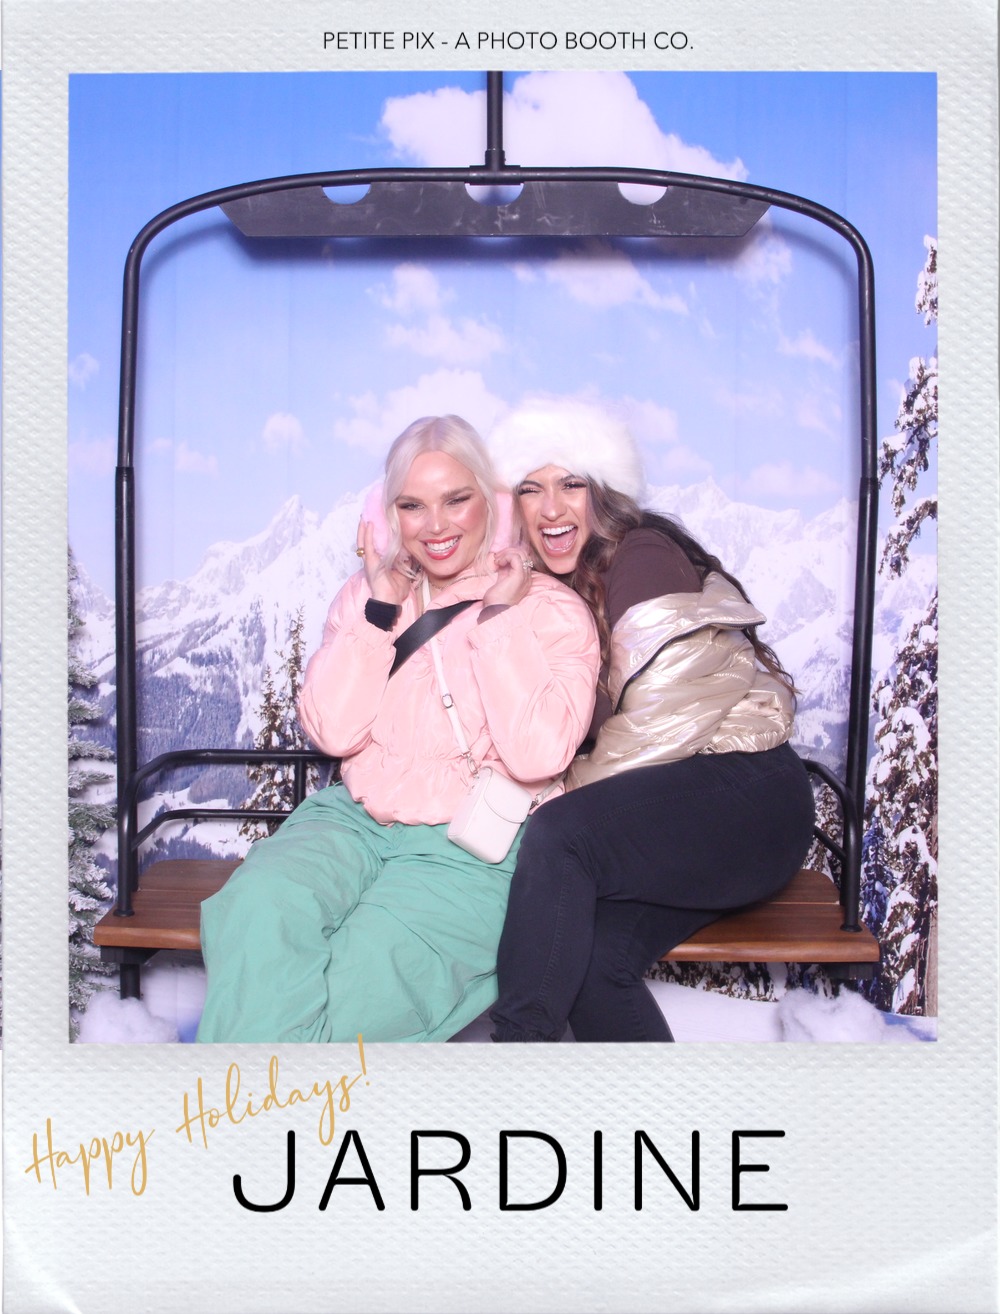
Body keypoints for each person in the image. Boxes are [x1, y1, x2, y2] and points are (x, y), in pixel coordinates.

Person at [196, 415, 599, 1043]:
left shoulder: (549, 610)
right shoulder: (367, 598)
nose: (434, 525)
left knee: (359, 987)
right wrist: (378, 612)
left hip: (470, 845)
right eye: (412, 506)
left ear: (491, 503)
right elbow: (334, 732)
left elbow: (536, 754)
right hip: (353, 821)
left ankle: (250, 1104)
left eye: (455, 500)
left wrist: (499, 617)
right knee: (257, 910)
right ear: (389, 517)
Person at [487, 398, 816, 1043]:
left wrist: (545, 800)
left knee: (560, 836)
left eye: (570, 484)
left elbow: (657, 731)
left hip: (747, 799)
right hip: (678, 819)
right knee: (589, 962)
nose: (550, 508)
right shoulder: (561, 588)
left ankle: (515, 1060)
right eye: (530, 489)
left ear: (603, 493)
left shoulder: (639, 556)